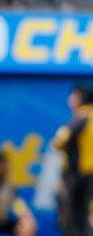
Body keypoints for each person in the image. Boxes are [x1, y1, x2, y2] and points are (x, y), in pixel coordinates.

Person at [53, 84, 93, 236]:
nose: (70, 99)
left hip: (78, 176)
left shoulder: (82, 117)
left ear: (80, 98)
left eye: (73, 95)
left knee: (71, 220)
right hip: (88, 175)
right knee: (83, 218)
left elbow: (59, 141)